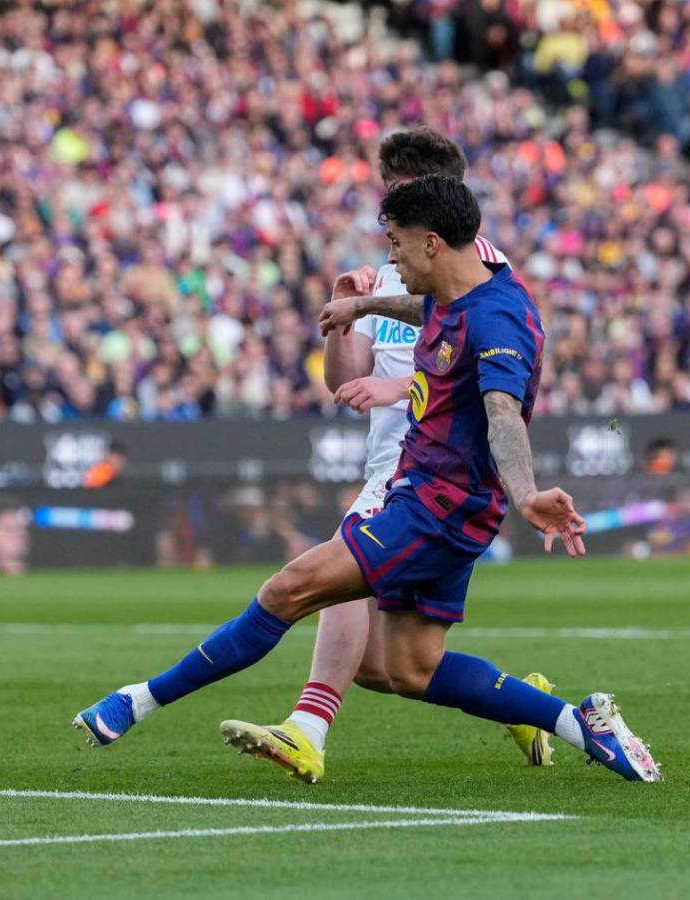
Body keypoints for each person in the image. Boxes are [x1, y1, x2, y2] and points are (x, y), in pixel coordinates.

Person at [73, 175, 661, 785]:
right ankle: (577, 721)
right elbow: (428, 309)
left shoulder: (499, 324)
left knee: (287, 591)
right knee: (403, 669)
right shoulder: (463, 292)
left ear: (432, 243)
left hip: (436, 508)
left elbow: (503, 416)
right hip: (440, 502)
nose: (392, 260)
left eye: (397, 245)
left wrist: (529, 494)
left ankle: (138, 700)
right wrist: (364, 306)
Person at [221, 128, 553, 784]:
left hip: (434, 463)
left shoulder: (481, 265)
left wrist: (399, 386)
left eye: (399, 195)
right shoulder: (389, 268)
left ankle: (306, 731)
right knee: (387, 670)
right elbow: (343, 377)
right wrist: (348, 316)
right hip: (387, 459)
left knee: (331, 575)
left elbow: (479, 362)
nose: (388, 212)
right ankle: (529, 704)